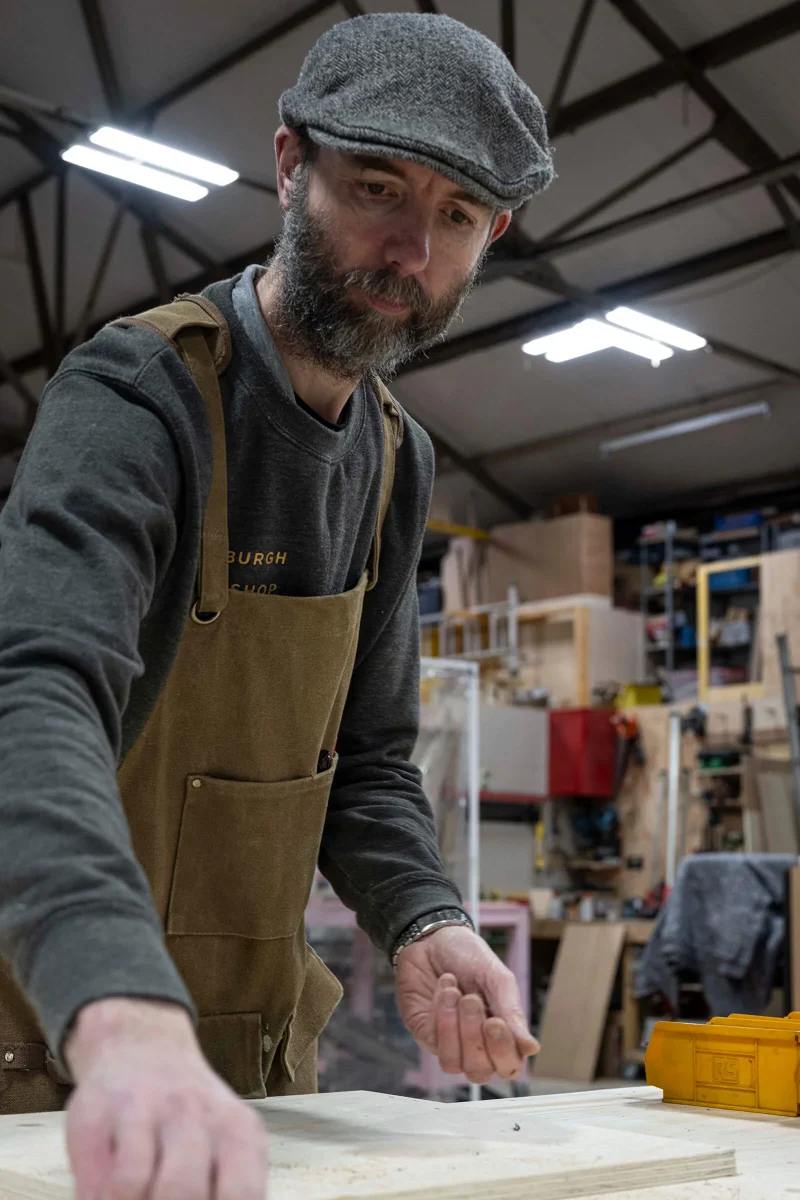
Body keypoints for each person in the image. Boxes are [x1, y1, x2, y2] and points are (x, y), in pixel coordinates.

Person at [0, 10, 554, 1199]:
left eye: (454, 216)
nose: (409, 247)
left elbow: (365, 762)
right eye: (376, 188)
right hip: (50, 1058)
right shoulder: (134, 397)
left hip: (245, 1070)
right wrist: (116, 1005)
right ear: (291, 164)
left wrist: (420, 919)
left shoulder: (397, 463)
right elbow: (32, 695)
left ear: (491, 234)